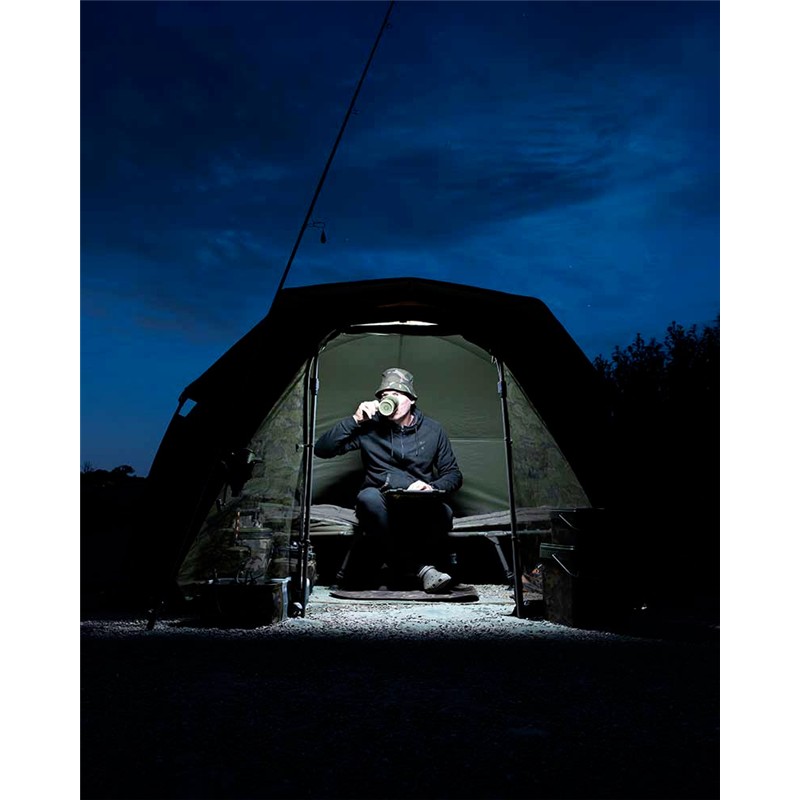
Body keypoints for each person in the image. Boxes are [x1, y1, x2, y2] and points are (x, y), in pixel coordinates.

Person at [314, 367, 463, 593]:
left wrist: (432, 487)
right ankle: (421, 569)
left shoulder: (433, 430)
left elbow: (453, 474)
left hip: (418, 504)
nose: (389, 400)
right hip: (380, 502)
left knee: (445, 513)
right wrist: (355, 420)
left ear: (411, 400)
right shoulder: (369, 427)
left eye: (396, 394)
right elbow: (322, 449)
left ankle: (396, 565)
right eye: (384, 395)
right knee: (368, 498)